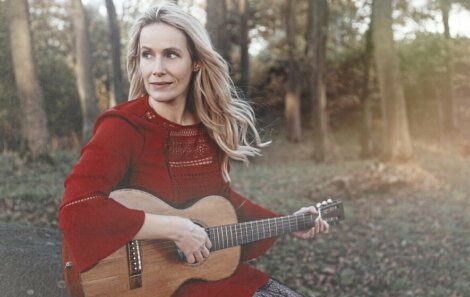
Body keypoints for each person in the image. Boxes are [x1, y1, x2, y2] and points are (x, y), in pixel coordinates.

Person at [58, 2, 329, 297]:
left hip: (205, 275)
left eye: (171, 55)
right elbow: (76, 209)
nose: (157, 69)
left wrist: (286, 222)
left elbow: (220, 200)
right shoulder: (123, 127)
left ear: (196, 61)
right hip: (143, 286)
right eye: (147, 55)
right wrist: (173, 229)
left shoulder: (209, 125)